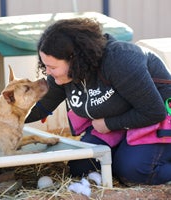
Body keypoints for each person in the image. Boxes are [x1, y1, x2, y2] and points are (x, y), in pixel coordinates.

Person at [24, 18, 171, 186]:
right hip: (121, 120)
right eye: (45, 66)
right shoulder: (65, 75)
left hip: (156, 116)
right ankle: (126, 153)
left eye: (52, 67)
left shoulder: (120, 60)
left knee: (133, 170)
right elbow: (39, 107)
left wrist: (109, 124)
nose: (48, 72)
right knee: (81, 167)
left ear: (74, 59)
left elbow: (153, 111)